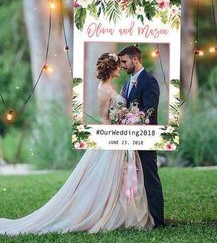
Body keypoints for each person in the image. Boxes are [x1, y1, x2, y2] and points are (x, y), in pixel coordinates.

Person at [0, 52, 154, 236]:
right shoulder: (103, 89)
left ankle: (122, 212)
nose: (121, 68)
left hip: (120, 139)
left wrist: (125, 122)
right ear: (112, 68)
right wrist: (117, 129)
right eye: (118, 65)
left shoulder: (112, 86)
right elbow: (103, 118)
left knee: (121, 178)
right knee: (106, 179)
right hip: (111, 140)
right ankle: (104, 212)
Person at [118, 45, 165, 228]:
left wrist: (134, 119)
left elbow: (149, 109)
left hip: (145, 137)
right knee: (132, 179)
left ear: (135, 60)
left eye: (124, 61)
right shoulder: (127, 83)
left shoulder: (149, 81)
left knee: (150, 177)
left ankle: (158, 221)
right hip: (128, 139)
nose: (122, 65)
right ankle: (138, 218)